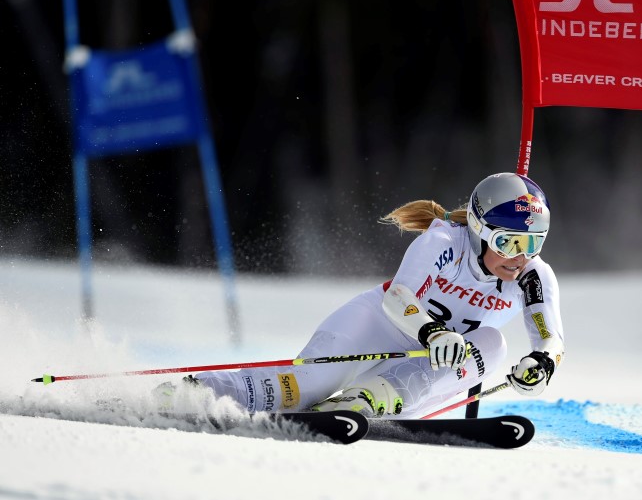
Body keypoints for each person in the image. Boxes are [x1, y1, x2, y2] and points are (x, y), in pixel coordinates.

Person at [192, 172, 565, 419]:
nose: (520, 256)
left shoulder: (533, 275)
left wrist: (541, 364)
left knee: (492, 343)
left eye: (534, 242)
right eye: (508, 242)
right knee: (306, 387)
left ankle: (367, 400)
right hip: (378, 327)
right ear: (479, 230)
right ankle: (197, 394)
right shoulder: (444, 241)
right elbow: (399, 297)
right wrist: (434, 332)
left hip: (432, 366)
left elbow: (551, 339)